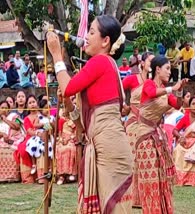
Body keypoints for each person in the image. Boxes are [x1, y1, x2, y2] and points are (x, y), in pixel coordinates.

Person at [46, 15, 133, 213]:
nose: (85, 36)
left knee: (112, 207)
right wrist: (68, 103)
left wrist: (57, 55)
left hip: (109, 146)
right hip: (102, 143)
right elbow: (80, 123)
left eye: (91, 32)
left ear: (105, 41)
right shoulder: (101, 66)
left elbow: (67, 87)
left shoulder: (101, 61)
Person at [135, 55, 187, 213]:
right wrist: (173, 88)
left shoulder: (165, 93)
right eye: (167, 68)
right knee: (150, 179)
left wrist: (180, 92)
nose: (170, 72)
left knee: (161, 177)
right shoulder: (149, 84)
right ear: (157, 69)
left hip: (157, 135)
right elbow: (151, 93)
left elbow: (177, 105)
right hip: (145, 137)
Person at [122, 51, 154, 208]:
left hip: (149, 123)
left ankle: (143, 197)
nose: (152, 65)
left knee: (145, 159)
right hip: (134, 122)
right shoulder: (132, 79)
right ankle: (130, 197)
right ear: (142, 63)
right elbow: (117, 89)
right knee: (132, 158)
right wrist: (125, 106)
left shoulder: (155, 82)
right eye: (150, 61)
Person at [14, 95, 46, 183]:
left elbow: (47, 126)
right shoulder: (27, 118)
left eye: (33, 102)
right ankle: (28, 178)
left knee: (43, 146)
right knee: (23, 150)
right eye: (30, 103)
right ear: (27, 106)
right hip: (30, 138)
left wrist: (45, 132)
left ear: (37, 103)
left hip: (43, 137)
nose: (32, 104)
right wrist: (37, 133)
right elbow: (29, 131)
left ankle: (42, 176)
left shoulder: (42, 116)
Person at [0, 101, 25, 182]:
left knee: (11, 148)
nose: (4, 110)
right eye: (2, 108)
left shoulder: (14, 116)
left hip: (13, 140)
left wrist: (5, 119)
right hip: (3, 139)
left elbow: (17, 126)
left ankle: (12, 177)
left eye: (6, 108)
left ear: (9, 109)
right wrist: (3, 134)